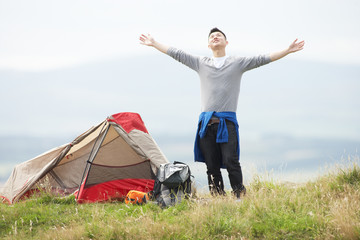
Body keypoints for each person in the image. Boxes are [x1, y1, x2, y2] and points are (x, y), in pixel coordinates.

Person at [139, 28, 305, 199]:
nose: (215, 37)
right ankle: (218, 198)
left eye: (219, 35)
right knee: (211, 166)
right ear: (208, 44)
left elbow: (263, 59)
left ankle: (239, 196)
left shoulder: (237, 63)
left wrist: (287, 50)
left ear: (226, 43)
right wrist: (154, 43)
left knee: (231, 161)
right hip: (207, 124)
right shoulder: (201, 62)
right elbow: (177, 53)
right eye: (211, 36)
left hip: (227, 123)